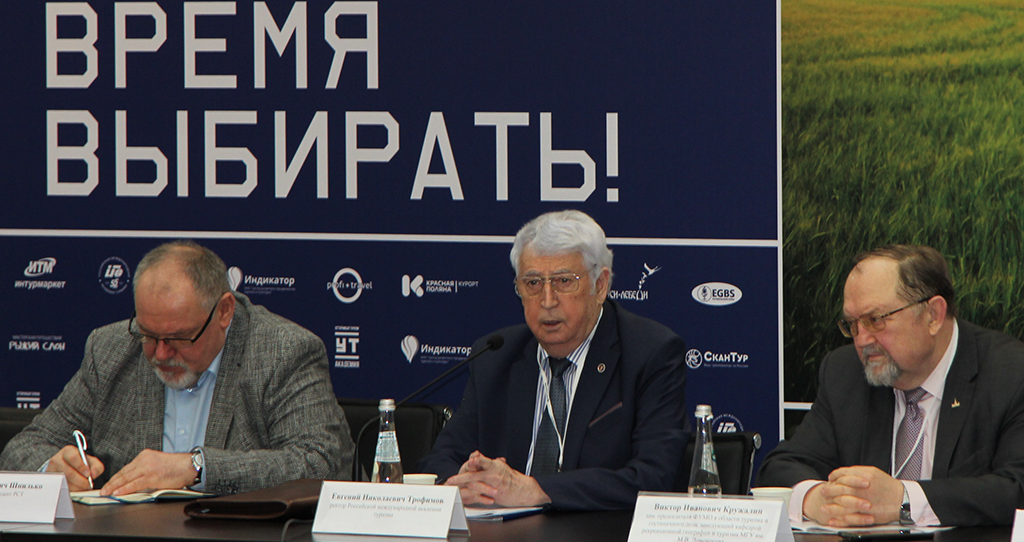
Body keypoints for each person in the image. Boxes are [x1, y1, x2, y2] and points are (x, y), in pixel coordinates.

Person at [0, 240, 353, 495]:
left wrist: (195, 468)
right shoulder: (110, 349)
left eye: (180, 338)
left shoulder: (283, 351)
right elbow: (24, 447)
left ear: (224, 311)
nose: (160, 353)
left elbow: (319, 462)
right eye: (148, 334)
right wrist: (53, 468)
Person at [416, 210, 688, 511]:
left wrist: (537, 490)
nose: (547, 300)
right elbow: (439, 461)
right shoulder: (495, 355)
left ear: (600, 285)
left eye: (564, 281)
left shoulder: (650, 354)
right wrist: (464, 483)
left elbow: (653, 478)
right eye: (533, 283)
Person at [757, 244, 1024, 528]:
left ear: (933, 315)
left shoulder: (1010, 373)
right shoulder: (845, 372)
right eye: (852, 324)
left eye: (875, 320)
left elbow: (1016, 487)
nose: (862, 340)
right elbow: (779, 468)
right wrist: (819, 500)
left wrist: (903, 500)